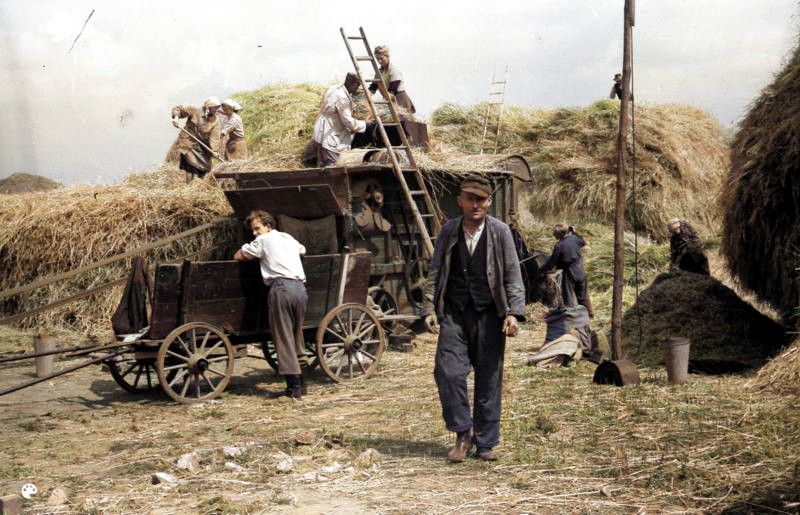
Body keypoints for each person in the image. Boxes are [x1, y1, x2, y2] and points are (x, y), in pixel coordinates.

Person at [423, 174, 526, 463]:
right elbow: (435, 272)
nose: (475, 204)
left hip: (489, 315)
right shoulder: (449, 231)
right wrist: (429, 308)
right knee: (448, 372)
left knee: (488, 377)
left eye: (480, 199)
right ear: (460, 201)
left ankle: (486, 442)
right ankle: (462, 432)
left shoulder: (500, 232)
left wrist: (514, 312)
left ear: (489, 202)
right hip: (455, 313)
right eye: (470, 198)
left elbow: (511, 274)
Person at [234, 210, 309, 398]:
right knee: (296, 336)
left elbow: (239, 256)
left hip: (281, 289)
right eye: (253, 230)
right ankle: (303, 384)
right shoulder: (288, 238)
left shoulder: (263, 240)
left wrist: (247, 246)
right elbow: (303, 250)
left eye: (257, 228)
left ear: (268, 226)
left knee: (283, 339)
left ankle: (293, 389)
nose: (255, 233)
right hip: (300, 289)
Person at [311, 73, 367, 167]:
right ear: (354, 85)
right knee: (333, 166)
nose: (357, 89)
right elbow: (347, 121)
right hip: (331, 133)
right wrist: (364, 124)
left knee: (324, 162)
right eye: (357, 86)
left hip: (324, 128)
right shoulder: (342, 97)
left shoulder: (334, 88)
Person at [541, 224, 594, 317]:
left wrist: (543, 269)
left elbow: (552, 262)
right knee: (582, 294)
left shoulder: (559, 246)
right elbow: (582, 241)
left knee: (568, 295)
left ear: (558, 235)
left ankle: (570, 316)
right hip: (581, 269)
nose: (554, 236)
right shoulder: (574, 238)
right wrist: (574, 232)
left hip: (570, 272)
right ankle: (588, 313)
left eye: (554, 234)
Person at [171, 96, 222, 183]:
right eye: (215, 107)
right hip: (187, 142)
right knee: (190, 167)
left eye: (218, 107)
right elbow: (179, 109)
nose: (217, 110)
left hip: (201, 146)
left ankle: (200, 186)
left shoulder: (216, 121)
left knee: (206, 167)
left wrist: (215, 151)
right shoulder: (195, 111)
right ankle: (189, 187)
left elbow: (215, 138)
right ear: (209, 107)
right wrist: (176, 118)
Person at [369, 45, 416, 114]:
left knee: (403, 121)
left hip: (400, 99)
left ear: (387, 56)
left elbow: (393, 89)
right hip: (389, 98)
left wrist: (385, 100)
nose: (379, 61)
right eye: (377, 59)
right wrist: (365, 97)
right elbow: (373, 87)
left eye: (381, 58)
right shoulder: (380, 72)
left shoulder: (394, 70)